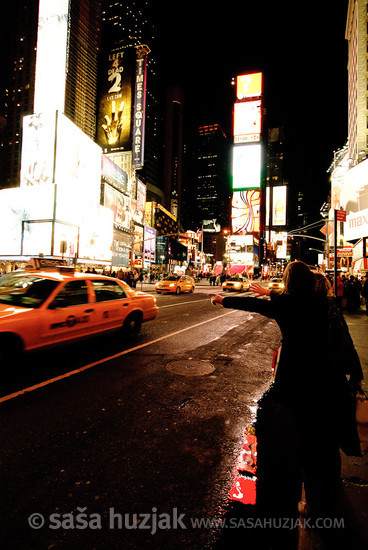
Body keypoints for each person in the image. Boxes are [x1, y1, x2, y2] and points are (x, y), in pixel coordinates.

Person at [210, 261, 363, 527]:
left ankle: (317, 505)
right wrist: (357, 373)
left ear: (290, 283)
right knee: (326, 440)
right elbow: (344, 338)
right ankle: (328, 490)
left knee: (308, 441)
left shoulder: (288, 306)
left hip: (299, 385)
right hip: (329, 382)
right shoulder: (326, 305)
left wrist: (223, 300)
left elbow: (255, 306)